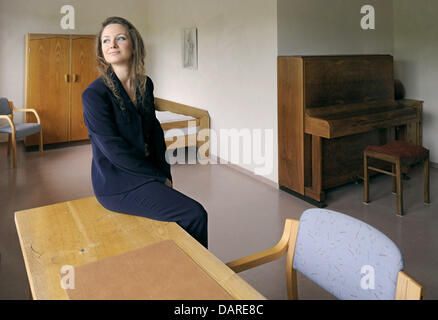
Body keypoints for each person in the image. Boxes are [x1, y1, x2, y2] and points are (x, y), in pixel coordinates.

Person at [82, 16, 208, 248]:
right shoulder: (94, 94)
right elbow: (113, 150)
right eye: (106, 41)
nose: (112, 45)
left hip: (148, 173)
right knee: (195, 214)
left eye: (120, 38)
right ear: (101, 51)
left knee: (179, 220)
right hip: (116, 183)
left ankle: (182, 267)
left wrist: (165, 173)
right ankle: (200, 277)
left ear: (134, 45)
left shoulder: (145, 84)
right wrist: (157, 178)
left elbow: (154, 133)